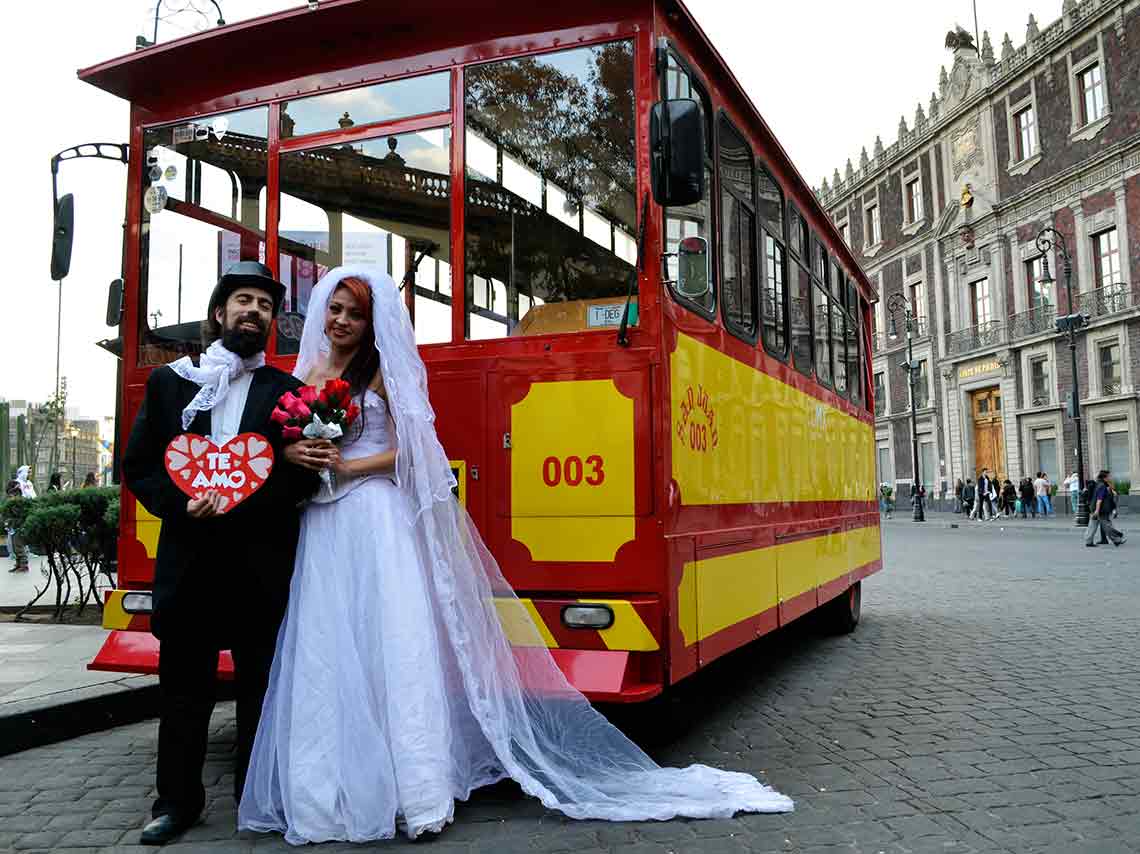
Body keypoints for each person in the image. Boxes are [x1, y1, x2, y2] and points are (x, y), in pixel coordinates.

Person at [239, 268, 793, 845]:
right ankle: (324, 797)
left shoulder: (380, 372)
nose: (341, 322)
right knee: (327, 650)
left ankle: (414, 793)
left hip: (374, 519)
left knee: (389, 648)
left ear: (372, 321)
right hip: (323, 524)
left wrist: (350, 465)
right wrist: (301, 452)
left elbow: (415, 449)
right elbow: (283, 441)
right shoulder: (303, 373)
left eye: (354, 314)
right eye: (335, 311)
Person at [122, 261, 322, 846]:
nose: (253, 312)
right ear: (220, 313)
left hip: (260, 565)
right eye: (243, 301)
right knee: (184, 692)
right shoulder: (170, 384)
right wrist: (181, 506)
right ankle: (176, 802)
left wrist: (263, 483)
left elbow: (306, 479)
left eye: (263, 305)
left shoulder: (289, 395)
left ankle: (254, 799)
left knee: (260, 689)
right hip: (189, 566)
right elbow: (138, 465)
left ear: (272, 323)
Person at [1085, 470, 1125, 548]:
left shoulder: (1099, 484)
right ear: (1105, 478)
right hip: (1101, 510)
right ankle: (1117, 540)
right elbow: (1099, 499)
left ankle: (1088, 541)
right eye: (1109, 476)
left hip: (1094, 508)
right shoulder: (1102, 486)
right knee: (1107, 526)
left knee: (1092, 525)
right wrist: (1097, 510)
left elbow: (1112, 489)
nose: (1110, 477)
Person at [4, 475, 29, 572]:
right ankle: (18, 564)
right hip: (13, 525)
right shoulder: (12, 498)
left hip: (18, 525)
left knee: (18, 545)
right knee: (15, 546)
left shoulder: (18, 499)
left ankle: (24, 564)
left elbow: (18, 512)